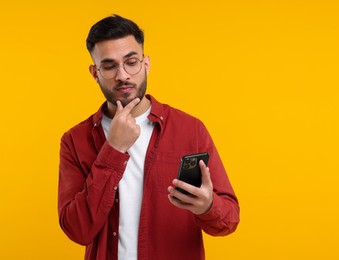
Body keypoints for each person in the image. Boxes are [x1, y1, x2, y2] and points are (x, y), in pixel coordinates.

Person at [58, 14, 240, 260]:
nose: (123, 75)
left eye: (131, 62)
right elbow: (77, 230)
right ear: (94, 73)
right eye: (110, 66)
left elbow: (229, 220)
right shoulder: (75, 140)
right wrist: (113, 149)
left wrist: (208, 206)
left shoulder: (190, 129)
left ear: (146, 64)